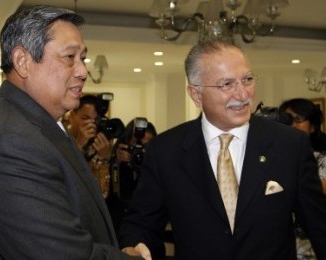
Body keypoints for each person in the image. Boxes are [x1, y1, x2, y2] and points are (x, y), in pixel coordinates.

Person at [0, 5, 147, 259]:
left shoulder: (35, 126)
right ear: (22, 62)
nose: (83, 71)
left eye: (82, 58)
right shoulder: (10, 142)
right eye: (69, 57)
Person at [119, 39, 326, 259]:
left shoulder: (289, 145)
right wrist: (135, 245)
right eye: (226, 84)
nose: (243, 94)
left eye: (247, 79)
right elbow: (140, 222)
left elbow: (319, 224)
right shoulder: (166, 151)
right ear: (196, 94)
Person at [279, 97, 326, 260]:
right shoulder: (273, 157)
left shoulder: (322, 157)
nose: (292, 125)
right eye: (287, 120)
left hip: (312, 247)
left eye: (298, 120)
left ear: (312, 126)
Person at [67, 94, 114, 198]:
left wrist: (104, 159)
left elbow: (102, 194)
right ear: (72, 116)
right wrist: (78, 145)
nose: (91, 124)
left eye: (96, 120)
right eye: (85, 118)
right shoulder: (60, 138)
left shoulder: (99, 145)